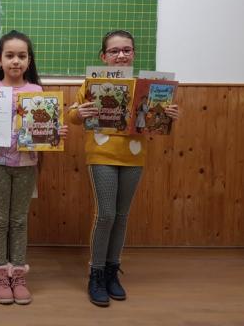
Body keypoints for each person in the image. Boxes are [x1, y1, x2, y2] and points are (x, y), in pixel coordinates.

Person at [68, 30, 179, 307]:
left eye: (126, 50)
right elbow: (72, 115)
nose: (121, 55)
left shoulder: (146, 87)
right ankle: (96, 274)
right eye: (114, 51)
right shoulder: (92, 83)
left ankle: (111, 271)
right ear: (103, 56)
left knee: (121, 216)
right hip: (102, 155)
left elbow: (154, 122)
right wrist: (78, 113)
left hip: (134, 157)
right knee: (105, 214)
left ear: (134, 54)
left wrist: (169, 115)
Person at [0, 30, 68, 305]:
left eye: (21, 56)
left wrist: (55, 132)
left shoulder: (37, 92)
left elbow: (44, 128)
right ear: (0, 59)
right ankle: (0, 275)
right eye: (9, 55)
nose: (15, 61)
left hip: (27, 164)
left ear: (29, 60)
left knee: (18, 220)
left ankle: (17, 274)